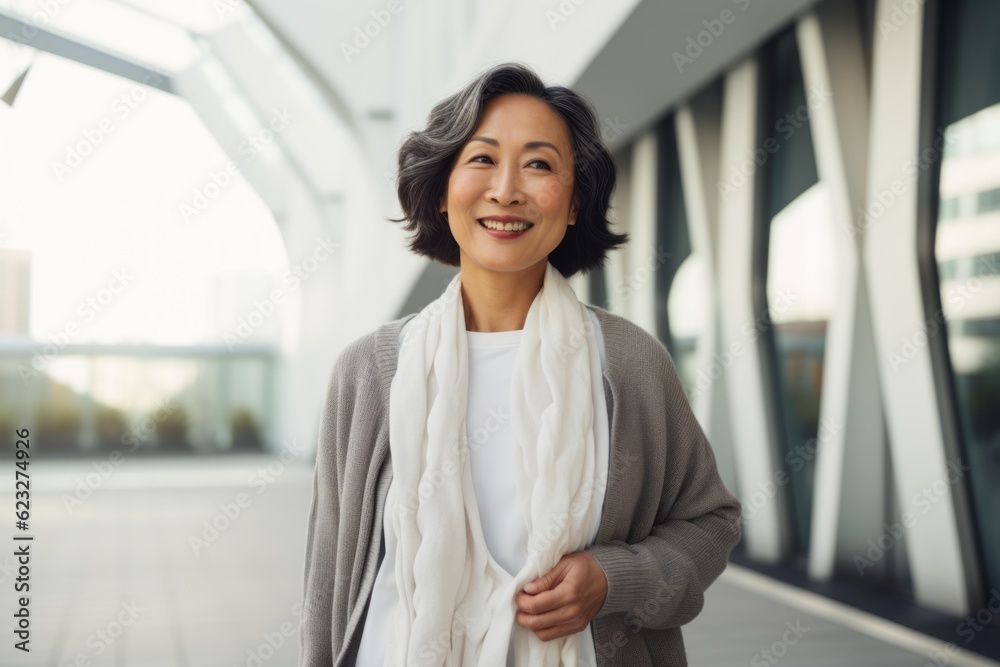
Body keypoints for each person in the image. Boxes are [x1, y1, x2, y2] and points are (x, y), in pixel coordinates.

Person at [298, 61, 741, 667]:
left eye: (538, 164)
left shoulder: (629, 362)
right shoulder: (370, 372)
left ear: (576, 201)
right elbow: (328, 578)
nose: (506, 189)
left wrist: (617, 578)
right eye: (481, 159)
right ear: (442, 187)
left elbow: (708, 522)